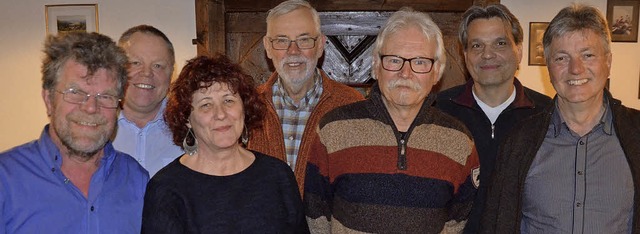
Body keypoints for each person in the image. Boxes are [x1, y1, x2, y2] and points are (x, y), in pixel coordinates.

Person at [304, 8, 480, 233]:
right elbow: (316, 214)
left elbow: (458, 219)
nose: (405, 74)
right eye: (394, 60)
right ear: (376, 66)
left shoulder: (459, 141)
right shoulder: (332, 129)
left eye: (419, 62)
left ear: (436, 72)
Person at [481, 4, 640, 233]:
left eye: (587, 55)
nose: (576, 69)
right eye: (562, 58)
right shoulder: (519, 141)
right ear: (548, 67)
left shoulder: (636, 134)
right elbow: (495, 223)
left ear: (608, 62)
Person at [0, 32, 149, 233]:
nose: (90, 107)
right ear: (49, 99)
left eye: (105, 96)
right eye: (75, 93)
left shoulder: (136, 179)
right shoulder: (6, 180)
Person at [142, 55, 309, 233]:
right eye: (206, 105)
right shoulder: (166, 189)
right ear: (187, 119)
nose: (220, 114)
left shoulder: (278, 176)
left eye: (228, 100)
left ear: (244, 108)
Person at [433, 4, 552, 232]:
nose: (487, 54)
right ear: (465, 55)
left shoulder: (547, 115)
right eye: (477, 45)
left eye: (500, 43)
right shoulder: (438, 111)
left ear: (519, 50)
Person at [247, 0, 364, 193]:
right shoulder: (246, 106)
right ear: (268, 47)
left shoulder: (353, 106)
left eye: (304, 40)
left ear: (320, 45)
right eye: (282, 40)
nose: (293, 51)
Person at [113, 25, 183, 176]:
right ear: (117, 68)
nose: (146, 73)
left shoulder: (191, 128)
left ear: (171, 73)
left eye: (158, 66)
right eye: (135, 63)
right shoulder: (95, 127)